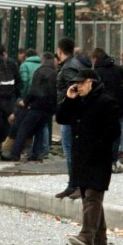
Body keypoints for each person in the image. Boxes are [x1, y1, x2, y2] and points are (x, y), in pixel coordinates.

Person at [56, 69, 120, 245]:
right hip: (81, 156)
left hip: (99, 157)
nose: (78, 86)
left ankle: (86, 236)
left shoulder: (106, 102)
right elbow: (61, 118)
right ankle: (99, 237)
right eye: (76, 83)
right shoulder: (79, 101)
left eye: (81, 83)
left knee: (93, 194)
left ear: (91, 82)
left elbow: (113, 131)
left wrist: (99, 148)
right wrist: (68, 99)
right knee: (88, 194)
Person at [2, 53, 58, 162]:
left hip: (37, 105)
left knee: (24, 128)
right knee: (39, 130)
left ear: (43, 60)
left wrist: (26, 102)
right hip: (49, 108)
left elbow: (34, 90)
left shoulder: (39, 71)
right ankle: (37, 154)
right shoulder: (55, 73)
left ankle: (15, 153)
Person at [54, 38, 84, 199]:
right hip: (70, 114)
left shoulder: (69, 67)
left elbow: (74, 90)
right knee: (71, 150)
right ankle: (73, 184)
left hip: (70, 115)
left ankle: (75, 185)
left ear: (60, 51)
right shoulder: (73, 64)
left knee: (71, 151)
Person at [91, 48, 123, 166]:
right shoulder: (119, 69)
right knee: (115, 133)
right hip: (120, 106)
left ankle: (103, 160)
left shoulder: (97, 72)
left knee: (102, 133)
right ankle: (113, 160)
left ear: (95, 58)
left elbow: (95, 91)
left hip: (104, 108)